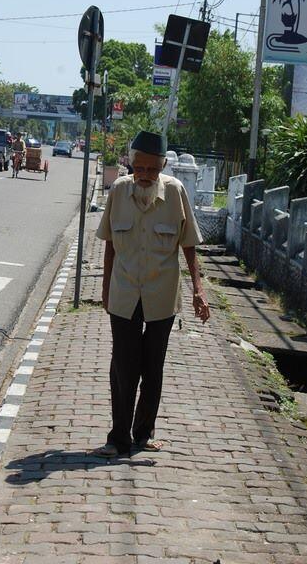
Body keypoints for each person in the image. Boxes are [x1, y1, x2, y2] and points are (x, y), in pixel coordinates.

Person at [92, 130, 210, 457]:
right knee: (123, 367)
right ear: (130, 163)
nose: (144, 176)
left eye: (152, 170)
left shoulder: (176, 193)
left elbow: (189, 246)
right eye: (139, 168)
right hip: (124, 292)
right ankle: (118, 439)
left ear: (162, 167)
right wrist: (105, 289)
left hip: (163, 294)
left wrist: (198, 290)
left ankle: (143, 435)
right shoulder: (118, 190)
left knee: (152, 367)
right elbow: (110, 246)